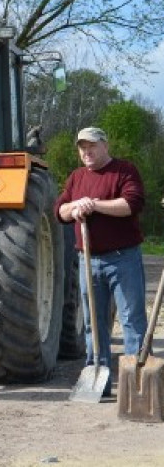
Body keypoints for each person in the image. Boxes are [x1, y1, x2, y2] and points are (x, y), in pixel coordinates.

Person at [54, 127, 147, 396]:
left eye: (92, 146)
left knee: (132, 320)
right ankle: (99, 380)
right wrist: (75, 207)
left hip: (123, 259)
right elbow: (60, 212)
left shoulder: (124, 171)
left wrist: (93, 205)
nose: (86, 151)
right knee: (93, 323)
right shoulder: (76, 178)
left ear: (105, 145)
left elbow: (131, 204)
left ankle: (136, 383)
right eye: (82, 147)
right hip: (88, 261)